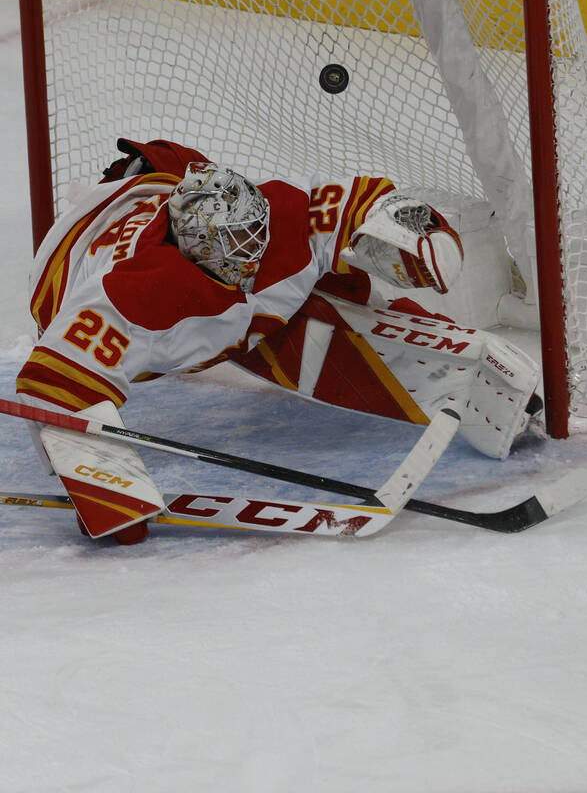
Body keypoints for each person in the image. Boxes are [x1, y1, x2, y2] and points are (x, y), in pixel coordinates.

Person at [17, 139, 543, 545]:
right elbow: (52, 383)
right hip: (68, 265)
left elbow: (366, 204)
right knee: (287, 314)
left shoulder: (280, 217)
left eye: (254, 237)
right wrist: (112, 500)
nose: (250, 259)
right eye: (233, 249)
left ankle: (475, 388)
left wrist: (421, 243)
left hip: (156, 188)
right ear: (191, 248)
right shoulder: (131, 297)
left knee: (328, 295)